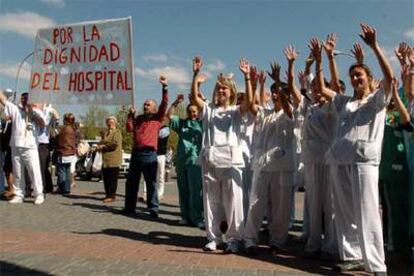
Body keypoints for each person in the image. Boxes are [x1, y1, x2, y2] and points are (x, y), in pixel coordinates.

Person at [310, 23, 393, 274]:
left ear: (368, 79)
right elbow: (323, 89)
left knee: (367, 212)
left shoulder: (377, 100)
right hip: (339, 160)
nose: (356, 79)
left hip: (363, 162)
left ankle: (377, 265)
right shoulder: (346, 103)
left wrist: (374, 47)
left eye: (360, 75)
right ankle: (353, 255)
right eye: (353, 76)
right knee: (345, 213)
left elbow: (389, 78)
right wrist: (321, 59)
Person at [242, 49, 298, 255]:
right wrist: (251, 80)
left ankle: (277, 240)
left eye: (279, 92)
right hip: (262, 165)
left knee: (281, 208)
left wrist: (278, 82)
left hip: (283, 167)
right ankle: (250, 239)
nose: (275, 95)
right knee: (256, 204)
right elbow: (251, 103)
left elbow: (289, 107)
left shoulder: (291, 113)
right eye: (273, 91)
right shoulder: (264, 113)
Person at [191, 56, 248, 253]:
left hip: (231, 161)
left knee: (232, 201)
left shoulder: (235, 111)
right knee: (210, 201)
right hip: (211, 159)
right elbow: (194, 99)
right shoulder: (209, 110)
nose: (221, 90)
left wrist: (247, 78)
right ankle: (213, 238)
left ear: (231, 91)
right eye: (219, 88)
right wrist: (195, 75)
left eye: (225, 88)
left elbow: (249, 104)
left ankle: (234, 239)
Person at [122, 76, 169, 218]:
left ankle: (153, 208)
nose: (145, 106)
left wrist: (164, 87)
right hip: (136, 153)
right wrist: (130, 116)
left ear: (154, 108)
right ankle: (129, 207)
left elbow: (164, 104)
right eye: (145, 104)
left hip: (149, 154)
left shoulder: (157, 118)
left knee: (151, 183)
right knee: (131, 182)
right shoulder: (139, 118)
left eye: (148, 105)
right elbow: (129, 128)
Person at [0, 91, 45, 205]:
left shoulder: (37, 112)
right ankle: (19, 194)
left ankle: (38, 194)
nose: (24, 101)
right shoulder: (15, 110)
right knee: (17, 172)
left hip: (30, 146)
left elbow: (42, 124)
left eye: (27, 99)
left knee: (34, 171)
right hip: (15, 144)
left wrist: (31, 114)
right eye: (23, 98)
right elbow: (3, 100)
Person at [168, 94, 204, 228]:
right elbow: (170, 116)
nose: (192, 113)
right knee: (183, 189)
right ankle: (185, 216)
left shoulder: (202, 123)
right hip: (182, 160)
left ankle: (198, 217)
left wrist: (199, 98)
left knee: (195, 190)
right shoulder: (182, 123)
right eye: (189, 111)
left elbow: (208, 111)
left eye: (194, 111)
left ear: (198, 112)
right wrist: (175, 103)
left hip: (195, 160)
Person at [95, 116, 123, 203]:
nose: (109, 124)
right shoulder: (106, 133)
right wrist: (97, 146)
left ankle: (112, 196)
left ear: (115, 123)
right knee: (106, 178)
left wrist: (103, 146)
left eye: (111, 122)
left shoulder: (117, 132)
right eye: (108, 122)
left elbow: (115, 144)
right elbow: (102, 142)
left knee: (112, 179)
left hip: (114, 159)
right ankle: (107, 194)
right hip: (105, 160)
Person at [33, 103, 59, 194]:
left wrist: (51, 110)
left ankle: (43, 187)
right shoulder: (35, 110)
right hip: (34, 142)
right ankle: (48, 186)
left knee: (42, 167)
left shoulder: (48, 111)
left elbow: (57, 117)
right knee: (40, 167)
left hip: (43, 143)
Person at [55, 113, 77, 194]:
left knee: (61, 171)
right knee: (68, 171)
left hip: (63, 152)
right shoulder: (73, 129)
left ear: (66, 120)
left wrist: (56, 135)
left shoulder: (64, 129)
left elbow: (59, 139)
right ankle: (67, 188)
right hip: (71, 152)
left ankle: (62, 188)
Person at [156, 118, 170, 200]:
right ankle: (146, 192)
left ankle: (160, 193)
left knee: (161, 175)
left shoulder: (166, 129)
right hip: (152, 153)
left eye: (163, 119)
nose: (161, 121)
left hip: (161, 155)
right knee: (150, 175)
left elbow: (160, 135)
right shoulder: (154, 128)